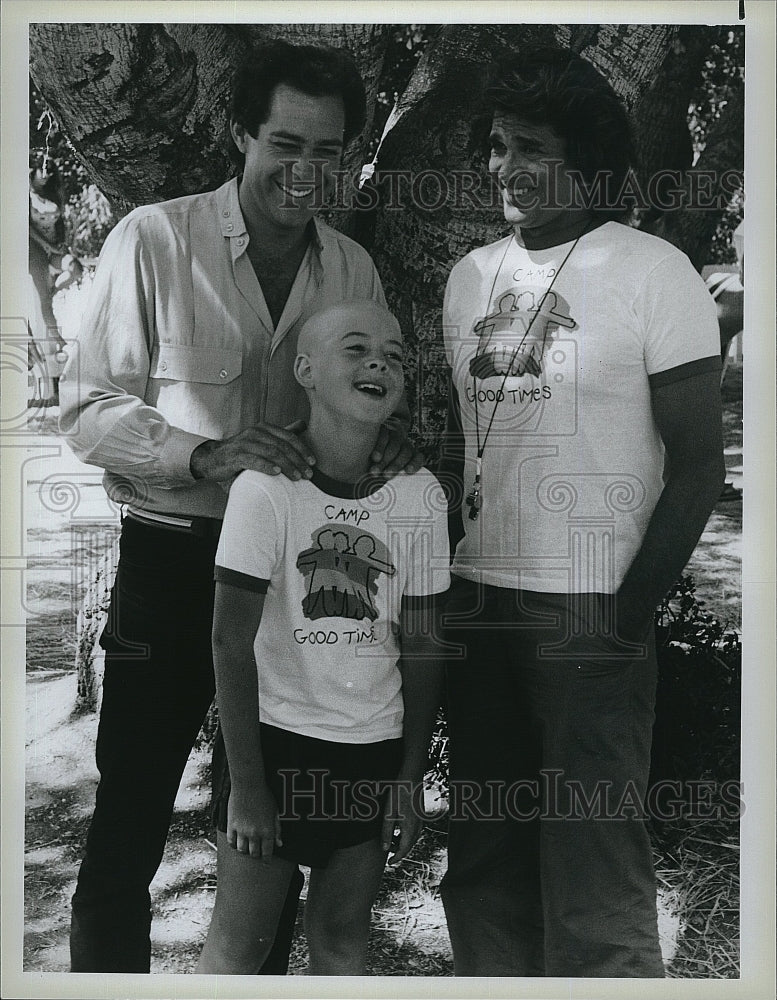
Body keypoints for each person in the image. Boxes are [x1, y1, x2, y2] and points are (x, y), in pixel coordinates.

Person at [59, 40, 422, 974]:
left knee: (263, 837)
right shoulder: (153, 238)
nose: (306, 174)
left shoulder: (352, 272)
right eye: (285, 144)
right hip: (175, 565)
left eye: (329, 152)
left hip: (302, 591)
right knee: (130, 819)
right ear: (238, 133)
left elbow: (367, 409)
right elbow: (86, 406)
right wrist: (207, 454)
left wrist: (384, 444)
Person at [437, 47, 725, 978]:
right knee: (483, 859)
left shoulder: (653, 271)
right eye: (493, 145)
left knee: (592, 860)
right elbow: (473, 447)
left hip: (591, 609)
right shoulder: (467, 277)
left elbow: (695, 468)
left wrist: (625, 619)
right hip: (479, 601)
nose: (503, 167)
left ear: (588, 161)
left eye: (528, 147)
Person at [196, 300, 450, 974]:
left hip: (370, 746)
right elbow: (229, 642)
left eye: (394, 355)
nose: (379, 362)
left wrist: (407, 775)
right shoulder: (266, 488)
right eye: (356, 347)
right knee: (239, 944)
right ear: (304, 369)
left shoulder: (420, 495)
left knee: (340, 939)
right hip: (272, 747)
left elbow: (423, 643)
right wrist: (247, 786)